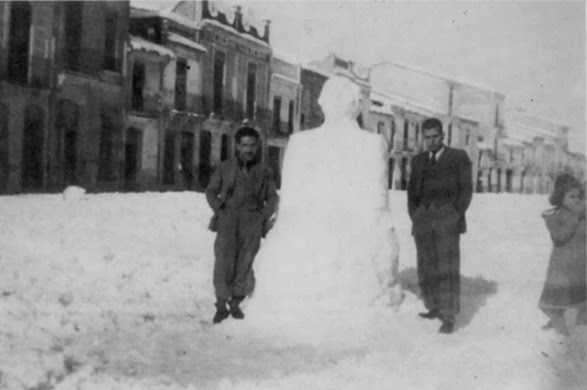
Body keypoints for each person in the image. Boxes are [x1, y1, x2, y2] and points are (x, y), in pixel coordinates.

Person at [247, 76, 401, 322]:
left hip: (317, 234)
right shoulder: (371, 143)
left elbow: (290, 204)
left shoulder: (303, 142)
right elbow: (376, 204)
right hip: (341, 234)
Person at [205, 126, 278, 324]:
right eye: (244, 145)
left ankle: (236, 301)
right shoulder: (225, 167)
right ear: (237, 146)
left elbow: (272, 197)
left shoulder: (264, 171)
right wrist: (220, 209)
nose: (248, 149)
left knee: (246, 260)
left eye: (252, 145)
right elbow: (211, 191)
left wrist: (263, 217)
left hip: (252, 221)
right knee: (223, 260)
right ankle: (221, 303)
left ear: (257, 147)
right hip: (228, 219)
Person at [407, 117, 473, 334]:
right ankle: (433, 306)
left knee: (447, 268)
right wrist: (415, 215)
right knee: (426, 266)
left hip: (447, 221)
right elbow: (411, 193)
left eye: (435, 136)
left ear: (443, 135)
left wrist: (454, 215)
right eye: (427, 137)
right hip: (423, 222)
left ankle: (449, 314)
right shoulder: (418, 161)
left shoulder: (458, 157)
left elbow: (466, 191)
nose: (432, 141)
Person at [539, 173, 586, 335]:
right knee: (552, 303)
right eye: (571, 196)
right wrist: (576, 216)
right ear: (560, 196)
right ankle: (561, 327)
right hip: (562, 266)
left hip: (581, 264)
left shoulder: (583, 213)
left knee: (578, 302)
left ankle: (570, 330)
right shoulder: (553, 216)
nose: (576, 200)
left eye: (579, 196)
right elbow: (560, 237)